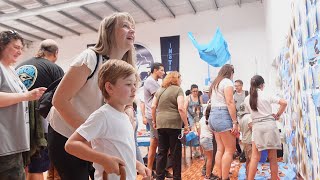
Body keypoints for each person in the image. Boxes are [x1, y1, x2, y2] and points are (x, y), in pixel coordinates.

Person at [47, 12, 137, 179]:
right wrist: (90, 135)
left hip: (94, 137)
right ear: (109, 32)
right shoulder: (90, 58)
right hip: (66, 133)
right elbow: (59, 100)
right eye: (125, 26)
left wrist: (129, 110)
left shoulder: (125, 67)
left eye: (133, 27)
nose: (132, 30)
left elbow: (126, 101)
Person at [65, 59, 151, 180]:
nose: (133, 88)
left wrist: (137, 165)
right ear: (110, 87)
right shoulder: (102, 116)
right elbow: (71, 145)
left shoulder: (124, 117)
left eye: (134, 84)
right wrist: (103, 160)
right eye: (128, 84)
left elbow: (121, 151)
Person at [0, 30, 46, 179]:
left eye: (21, 48)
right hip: (4, 143)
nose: (20, 52)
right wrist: (26, 95)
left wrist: (33, 95)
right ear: (2, 46)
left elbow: (18, 96)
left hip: (15, 141)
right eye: (16, 47)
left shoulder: (11, 70)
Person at [16, 39, 64, 180]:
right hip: (39, 126)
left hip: (17, 124)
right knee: (37, 167)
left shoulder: (20, 66)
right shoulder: (54, 68)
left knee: (22, 166)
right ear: (55, 53)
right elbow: (60, 99)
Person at [244, 75, 287, 180]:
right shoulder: (266, 94)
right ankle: (273, 178)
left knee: (255, 157)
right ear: (262, 85)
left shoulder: (246, 99)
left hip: (257, 127)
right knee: (272, 157)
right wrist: (277, 115)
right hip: (269, 126)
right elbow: (284, 103)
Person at [151, 71, 189, 180]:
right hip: (174, 125)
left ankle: (159, 177)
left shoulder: (160, 90)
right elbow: (181, 108)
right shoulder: (178, 90)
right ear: (176, 79)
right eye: (180, 78)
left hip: (161, 124)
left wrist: (154, 121)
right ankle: (177, 177)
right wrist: (186, 125)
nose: (181, 80)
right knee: (175, 153)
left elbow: (153, 107)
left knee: (161, 152)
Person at [208, 64, 238, 180]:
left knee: (220, 148)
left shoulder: (216, 83)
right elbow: (230, 102)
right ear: (231, 73)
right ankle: (225, 178)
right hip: (222, 115)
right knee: (230, 150)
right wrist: (235, 122)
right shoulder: (227, 82)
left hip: (213, 116)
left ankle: (220, 176)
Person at [143, 62, 167, 175]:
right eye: (161, 70)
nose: (163, 72)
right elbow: (161, 97)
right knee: (163, 144)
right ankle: (160, 171)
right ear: (155, 70)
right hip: (154, 117)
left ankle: (150, 170)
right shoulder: (150, 82)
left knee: (154, 144)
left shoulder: (154, 82)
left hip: (154, 116)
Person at [199, 104, 218, 180]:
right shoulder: (211, 120)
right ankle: (208, 176)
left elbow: (199, 130)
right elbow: (214, 131)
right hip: (208, 139)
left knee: (207, 158)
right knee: (210, 158)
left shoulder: (202, 119)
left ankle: (207, 173)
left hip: (202, 139)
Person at [184, 84, 203, 157]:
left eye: (196, 91)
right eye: (194, 91)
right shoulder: (188, 98)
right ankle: (194, 150)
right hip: (191, 117)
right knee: (194, 132)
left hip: (198, 116)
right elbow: (185, 108)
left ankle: (200, 149)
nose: (195, 93)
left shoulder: (199, 97)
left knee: (199, 133)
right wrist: (186, 119)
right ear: (191, 91)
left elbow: (202, 106)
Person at [233, 79, 249, 157]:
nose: (236, 87)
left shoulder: (246, 93)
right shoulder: (233, 94)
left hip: (246, 116)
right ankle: (241, 151)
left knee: (246, 134)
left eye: (237, 85)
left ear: (241, 85)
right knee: (238, 135)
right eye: (235, 86)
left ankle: (246, 151)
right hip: (237, 117)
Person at [238, 103, 252, 179]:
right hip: (250, 141)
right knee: (252, 160)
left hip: (244, 140)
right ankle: (250, 177)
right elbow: (251, 127)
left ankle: (247, 175)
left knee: (248, 159)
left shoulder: (241, 118)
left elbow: (239, 129)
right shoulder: (249, 117)